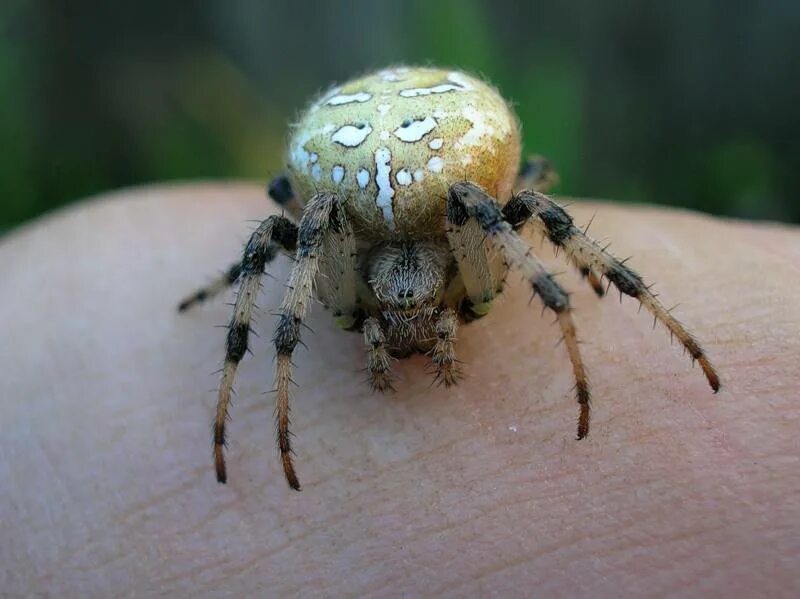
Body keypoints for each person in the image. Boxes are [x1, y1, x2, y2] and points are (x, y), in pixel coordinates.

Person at [1, 183, 797, 596]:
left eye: (423, 317)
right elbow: (282, 244)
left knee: (502, 209)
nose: (413, 331)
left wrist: (564, 295)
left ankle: (655, 318)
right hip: (360, 205)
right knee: (294, 231)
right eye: (392, 322)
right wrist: (265, 362)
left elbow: (516, 216)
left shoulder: (467, 258)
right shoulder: (343, 276)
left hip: (442, 190)